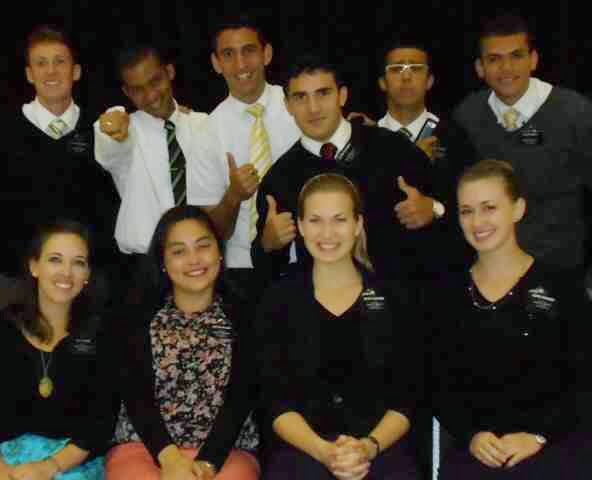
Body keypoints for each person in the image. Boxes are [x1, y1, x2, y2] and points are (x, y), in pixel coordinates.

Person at [431, 160, 592, 479]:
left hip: (555, 448)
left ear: (518, 209)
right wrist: (472, 434)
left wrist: (539, 436)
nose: (477, 222)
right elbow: (437, 383)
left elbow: (584, 380)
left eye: (489, 208)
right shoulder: (446, 294)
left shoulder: (562, 288)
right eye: (466, 211)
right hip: (477, 453)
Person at [257, 173, 421, 480]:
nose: (327, 233)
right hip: (302, 452)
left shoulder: (394, 297)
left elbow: (407, 396)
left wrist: (368, 448)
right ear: (301, 226)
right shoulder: (278, 300)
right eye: (315, 221)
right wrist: (324, 452)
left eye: (340, 220)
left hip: (381, 451)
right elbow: (275, 400)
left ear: (358, 225)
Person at [0, 25, 119, 314]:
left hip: (86, 282)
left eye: (60, 61)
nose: (51, 71)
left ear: (76, 71)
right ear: (29, 74)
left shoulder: (102, 128)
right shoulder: (0, 129)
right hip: (16, 283)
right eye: (41, 63)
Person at [251, 54, 442, 284]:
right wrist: (268, 244)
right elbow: (265, 269)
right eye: (301, 97)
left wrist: (434, 209)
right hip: (325, 300)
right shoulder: (280, 178)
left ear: (342, 96)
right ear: (288, 105)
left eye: (323, 93)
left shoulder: (392, 147)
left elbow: (451, 209)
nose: (313, 108)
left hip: (402, 295)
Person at [0, 220, 115, 480]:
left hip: (69, 464)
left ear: (87, 274)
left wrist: (49, 468)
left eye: (78, 263)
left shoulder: (103, 336)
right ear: (34, 266)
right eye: (55, 259)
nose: (66, 272)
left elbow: (100, 426)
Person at [106, 206, 260, 480]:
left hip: (226, 452)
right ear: (163, 261)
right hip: (145, 447)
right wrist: (170, 459)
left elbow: (241, 397)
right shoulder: (137, 315)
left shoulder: (245, 316)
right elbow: (135, 394)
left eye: (203, 246)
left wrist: (208, 463)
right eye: (179, 251)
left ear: (219, 252)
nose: (194, 259)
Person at [452, 13, 592, 270]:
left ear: (533, 59)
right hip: (489, 270)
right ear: (480, 68)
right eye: (494, 59)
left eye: (516, 56)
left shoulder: (576, 113)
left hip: (561, 270)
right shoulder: (467, 116)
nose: (506, 68)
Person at [187, 15, 300, 271]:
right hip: (245, 269)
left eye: (249, 51)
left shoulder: (300, 104)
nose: (241, 64)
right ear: (216, 63)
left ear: (267, 54)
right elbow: (210, 233)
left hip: (311, 256)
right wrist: (234, 196)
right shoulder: (207, 134)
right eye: (228, 54)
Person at [94, 44, 207, 255]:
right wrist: (112, 123)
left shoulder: (204, 125)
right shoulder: (127, 132)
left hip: (203, 253)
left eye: (155, 81)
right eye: (137, 90)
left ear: (170, 72)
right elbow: (110, 147)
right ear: (127, 92)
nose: (150, 95)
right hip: (146, 260)